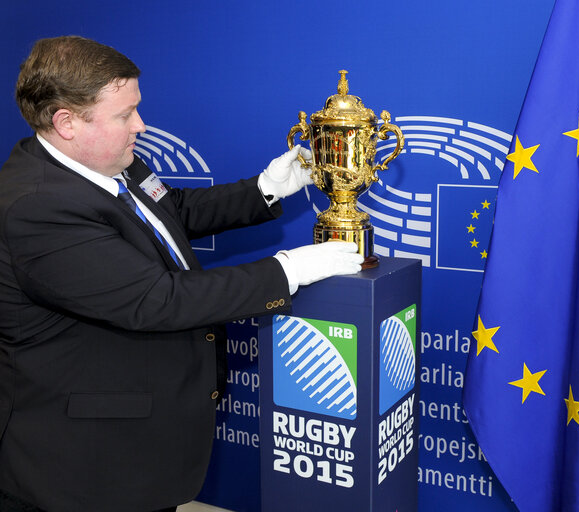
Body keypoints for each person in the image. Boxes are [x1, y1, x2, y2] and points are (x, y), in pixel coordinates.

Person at [0, 36, 363, 512]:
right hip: (85, 467)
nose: (141, 125)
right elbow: (157, 300)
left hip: (139, 444)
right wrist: (287, 270)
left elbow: (170, 212)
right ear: (66, 122)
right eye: (124, 114)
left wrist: (267, 188)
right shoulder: (38, 207)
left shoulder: (112, 163)